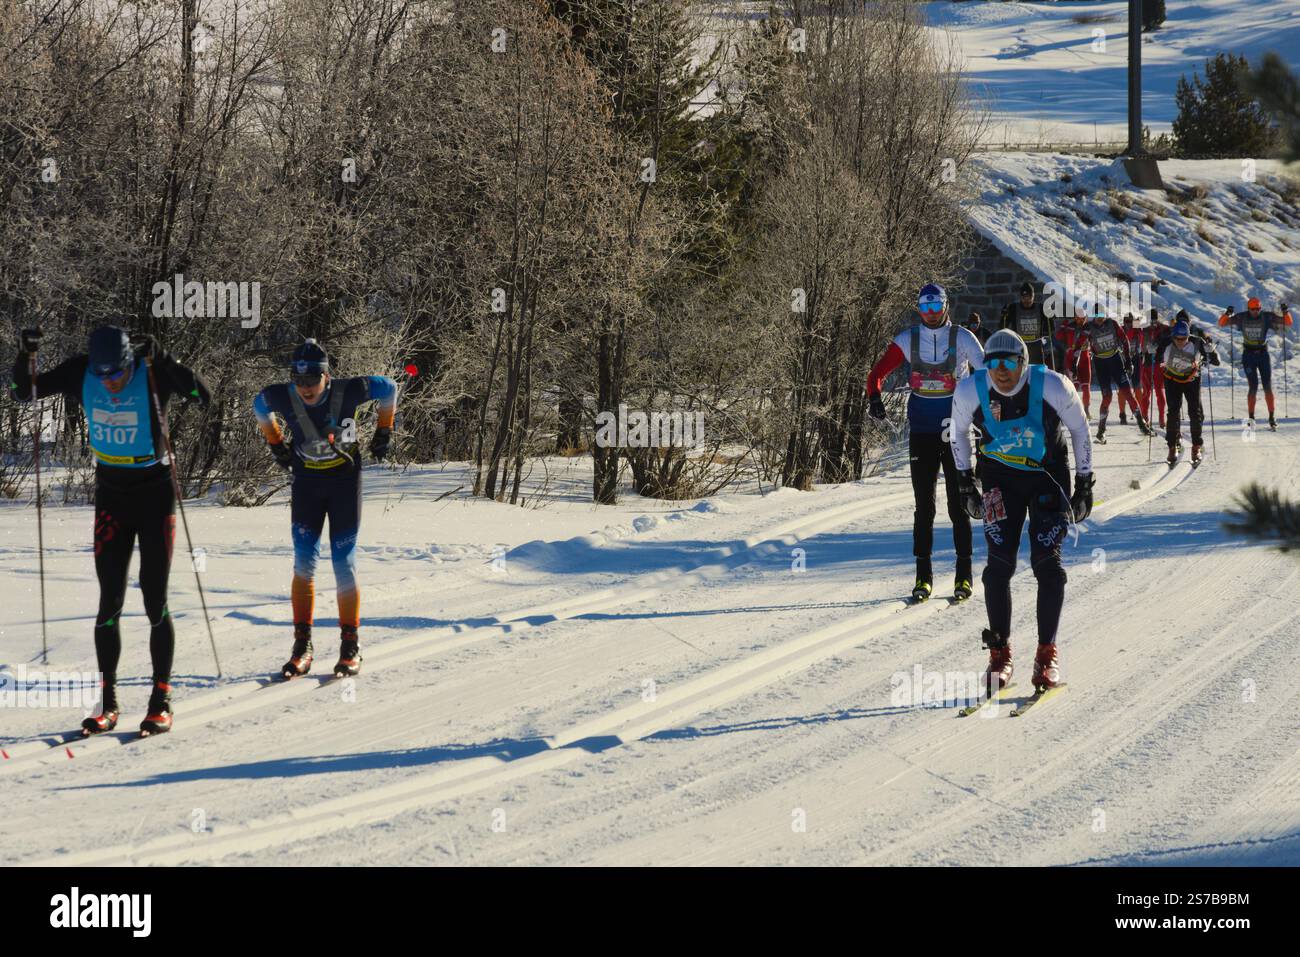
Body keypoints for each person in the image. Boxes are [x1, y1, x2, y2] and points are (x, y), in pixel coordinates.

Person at [12, 323, 213, 735]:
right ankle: (109, 703)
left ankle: (161, 700)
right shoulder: (81, 369)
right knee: (109, 603)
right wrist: (24, 354)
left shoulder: (151, 371)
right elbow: (23, 392)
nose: (111, 382)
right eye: (103, 376)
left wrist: (167, 360)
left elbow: (201, 396)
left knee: (154, 597)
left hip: (155, 494)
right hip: (111, 495)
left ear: (128, 362)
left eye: (117, 373)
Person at [950, 329, 1093, 695]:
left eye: (1009, 362)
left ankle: (1047, 654)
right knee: (998, 568)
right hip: (1000, 479)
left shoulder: (1053, 386)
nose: (1000, 371)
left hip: (1046, 477)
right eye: (993, 362)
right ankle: (1000, 652)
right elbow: (958, 434)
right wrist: (966, 482)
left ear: (1024, 363)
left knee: (1048, 564)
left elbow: (1079, 430)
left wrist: (1084, 484)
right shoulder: (970, 390)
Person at [253, 340, 398, 679]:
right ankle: (302, 646)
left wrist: (384, 430)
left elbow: (390, 388)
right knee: (304, 563)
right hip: (307, 484)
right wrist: (276, 444)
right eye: (298, 381)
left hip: (344, 483)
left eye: (312, 381)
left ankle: (350, 646)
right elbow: (259, 405)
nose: (304, 388)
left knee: (342, 562)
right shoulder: (280, 395)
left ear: (326, 376)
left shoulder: (351, 390)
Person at [867, 284, 985, 602]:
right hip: (922, 430)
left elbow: (986, 372)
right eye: (925, 309)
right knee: (925, 507)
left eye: (936, 308)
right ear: (919, 310)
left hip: (956, 429)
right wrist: (874, 396)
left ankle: (964, 576)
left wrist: (983, 409)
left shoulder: (962, 337)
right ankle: (924, 577)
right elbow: (876, 373)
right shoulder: (908, 339)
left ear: (946, 307)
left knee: (959, 504)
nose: (931, 315)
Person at [1153, 313, 1220, 466]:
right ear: (1173, 336)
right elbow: (1155, 358)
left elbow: (1216, 361)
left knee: (1195, 412)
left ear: (1189, 335)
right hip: (1172, 380)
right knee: (1173, 412)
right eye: (1177, 339)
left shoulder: (1197, 342)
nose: (1180, 342)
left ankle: (1196, 446)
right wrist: (1152, 351)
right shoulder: (1166, 342)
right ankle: (1172, 446)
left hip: (1191, 380)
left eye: (1184, 339)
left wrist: (1210, 351)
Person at [1217, 298, 1293, 430]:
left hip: (1263, 355)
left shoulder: (1266, 317)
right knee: (1253, 387)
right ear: (1248, 308)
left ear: (1260, 308)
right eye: (1253, 309)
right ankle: (1251, 418)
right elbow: (1222, 323)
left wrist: (1286, 312)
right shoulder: (1241, 318)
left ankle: (1272, 417)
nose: (1256, 311)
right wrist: (1227, 314)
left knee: (1267, 387)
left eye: (1258, 309)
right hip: (1248, 356)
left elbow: (1288, 322)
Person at [1085, 305, 1154, 442]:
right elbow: (1079, 343)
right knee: (1107, 397)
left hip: (1116, 361)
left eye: (1101, 315)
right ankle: (1101, 430)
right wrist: (1075, 360)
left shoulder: (1112, 323)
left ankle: (1142, 424)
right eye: (1097, 316)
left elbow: (1125, 340)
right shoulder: (1088, 327)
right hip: (1101, 364)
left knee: (1128, 392)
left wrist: (1128, 360)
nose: (1099, 319)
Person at [999, 281, 1056, 370]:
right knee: (1019, 371)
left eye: (1029, 297)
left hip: (1036, 346)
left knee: (1038, 371)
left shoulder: (1041, 308)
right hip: (1019, 345)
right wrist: (1003, 316)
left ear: (1033, 296)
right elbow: (1002, 327)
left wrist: (1051, 316)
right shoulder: (1013, 308)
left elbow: (1051, 328)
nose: (1026, 300)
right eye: (1024, 297)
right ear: (1020, 297)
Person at [1055, 307, 1093, 419]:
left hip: (1084, 358)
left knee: (1086, 387)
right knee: (1074, 386)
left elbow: (1095, 339)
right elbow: (1058, 337)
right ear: (1075, 317)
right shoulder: (1069, 326)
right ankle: (1073, 410)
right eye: (1079, 318)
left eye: (1083, 318)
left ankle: (1086, 410)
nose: (1081, 321)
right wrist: (1063, 326)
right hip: (1071, 359)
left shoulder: (1088, 327)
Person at [1141, 307, 1170, 429]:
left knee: (1159, 390)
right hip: (1146, 362)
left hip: (1159, 362)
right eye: (1150, 320)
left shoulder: (1164, 328)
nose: (1152, 323)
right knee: (1146, 392)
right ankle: (1144, 417)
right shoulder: (1143, 328)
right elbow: (1131, 331)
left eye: (1154, 320)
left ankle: (1161, 418)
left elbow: (1170, 338)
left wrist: (1158, 344)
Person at [1118, 315, 1144, 424]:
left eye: (1130, 321)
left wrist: (1137, 325)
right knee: (1122, 389)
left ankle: (1139, 412)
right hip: (1123, 360)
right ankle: (1122, 413)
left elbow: (1142, 339)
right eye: (1126, 321)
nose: (1128, 323)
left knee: (1138, 387)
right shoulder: (1121, 329)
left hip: (1135, 359)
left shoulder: (1137, 330)